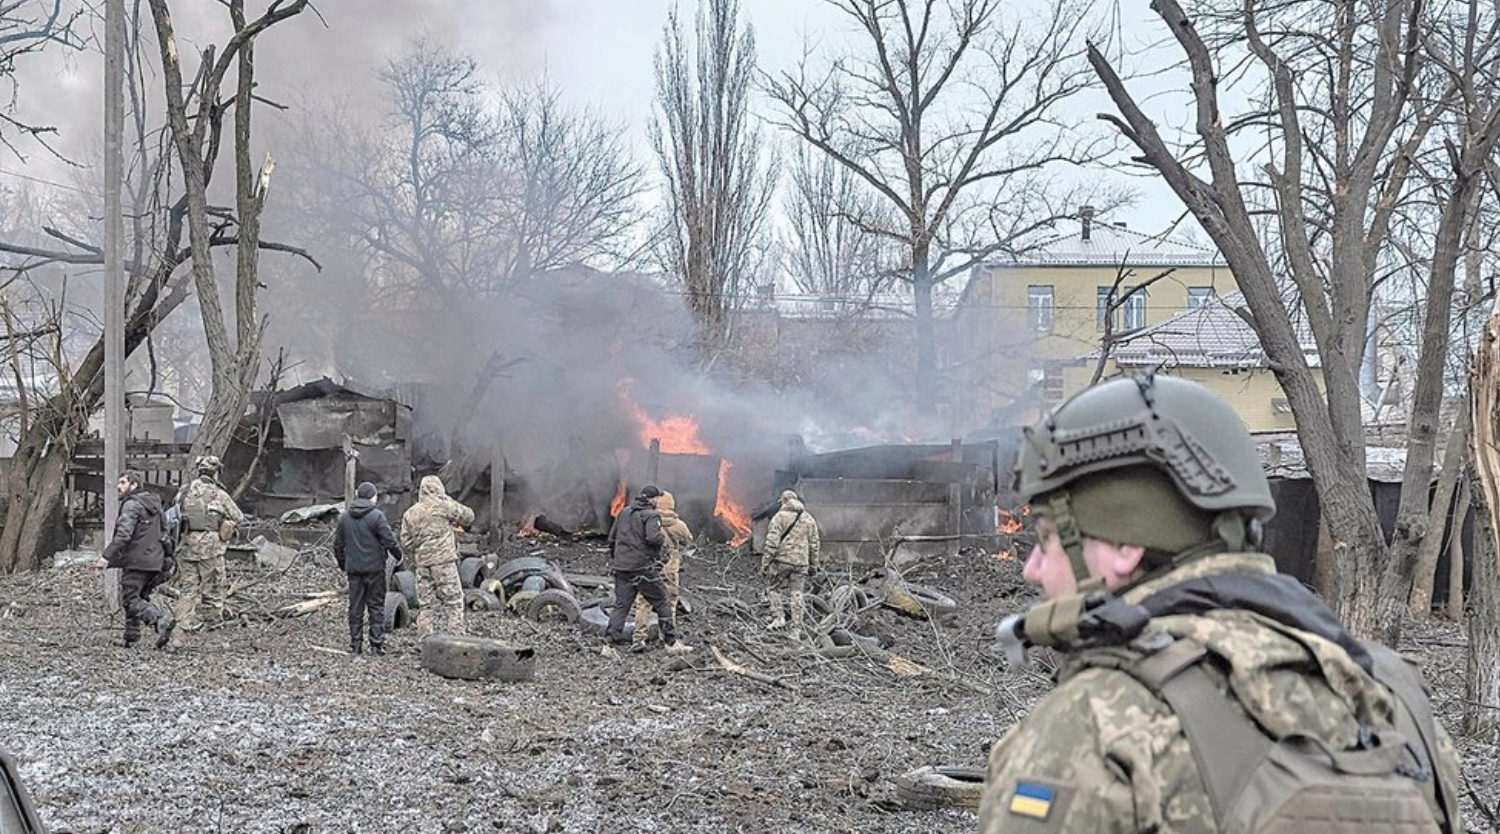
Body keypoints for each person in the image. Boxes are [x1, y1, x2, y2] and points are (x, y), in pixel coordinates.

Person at [978, 373, 1464, 833]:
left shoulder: (1095, 720)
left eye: (1046, 539)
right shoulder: (1394, 699)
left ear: (1125, 545)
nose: (1031, 569)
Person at [605, 484, 692, 654]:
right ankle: (671, 643)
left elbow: (612, 538)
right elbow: (653, 538)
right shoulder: (651, 515)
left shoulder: (623, 513)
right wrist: (661, 548)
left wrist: (617, 558)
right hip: (642, 568)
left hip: (622, 567)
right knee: (662, 601)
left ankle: (608, 645)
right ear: (654, 499)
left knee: (621, 606)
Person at [94, 470, 176, 649]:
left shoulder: (132, 505)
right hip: (156, 561)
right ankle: (131, 638)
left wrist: (106, 556)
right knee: (138, 598)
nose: (118, 486)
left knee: (131, 600)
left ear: (134, 485)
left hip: (137, 560)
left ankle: (160, 619)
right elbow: (166, 532)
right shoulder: (156, 505)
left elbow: (123, 535)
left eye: (123, 482)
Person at [170, 455, 243, 638]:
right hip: (212, 550)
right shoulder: (219, 494)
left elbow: (174, 514)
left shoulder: (184, 492)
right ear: (216, 473)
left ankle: (179, 633)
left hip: (187, 547)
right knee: (213, 590)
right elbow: (238, 517)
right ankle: (213, 634)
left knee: (188, 590)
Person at [399, 475, 474, 639]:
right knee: (454, 601)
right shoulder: (445, 506)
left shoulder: (410, 513)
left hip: (423, 564)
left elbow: (405, 542)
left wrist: (421, 547)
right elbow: (469, 517)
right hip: (444, 563)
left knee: (426, 605)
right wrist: (448, 500)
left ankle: (425, 641)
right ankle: (456, 639)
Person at [335, 482, 404, 655]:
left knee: (355, 608)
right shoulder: (377, 516)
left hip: (354, 570)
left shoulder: (344, 517)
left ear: (358, 495)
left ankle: (356, 644)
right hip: (375, 569)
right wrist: (398, 555)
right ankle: (376, 644)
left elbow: (337, 546)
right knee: (376, 606)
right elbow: (389, 540)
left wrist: (343, 564)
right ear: (373, 497)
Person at [630, 489, 692, 650]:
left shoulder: (647, 520)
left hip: (650, 568)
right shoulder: (679, 525)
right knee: (669, 602)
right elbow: (688, 542)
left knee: (644, 602)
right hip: (670, 569)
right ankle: (668, 640)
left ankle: (639, 638)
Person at [761, 489, 821, 640]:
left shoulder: (779, 518)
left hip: (781, 561)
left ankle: (778, 618)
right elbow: (814, 545)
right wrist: (814, 565)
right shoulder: (809, 519)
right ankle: (796, 628)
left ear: (783, 501)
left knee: (774, 588)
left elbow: (771, 543)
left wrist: (765, 563)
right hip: (801, 563)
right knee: (797, 593)